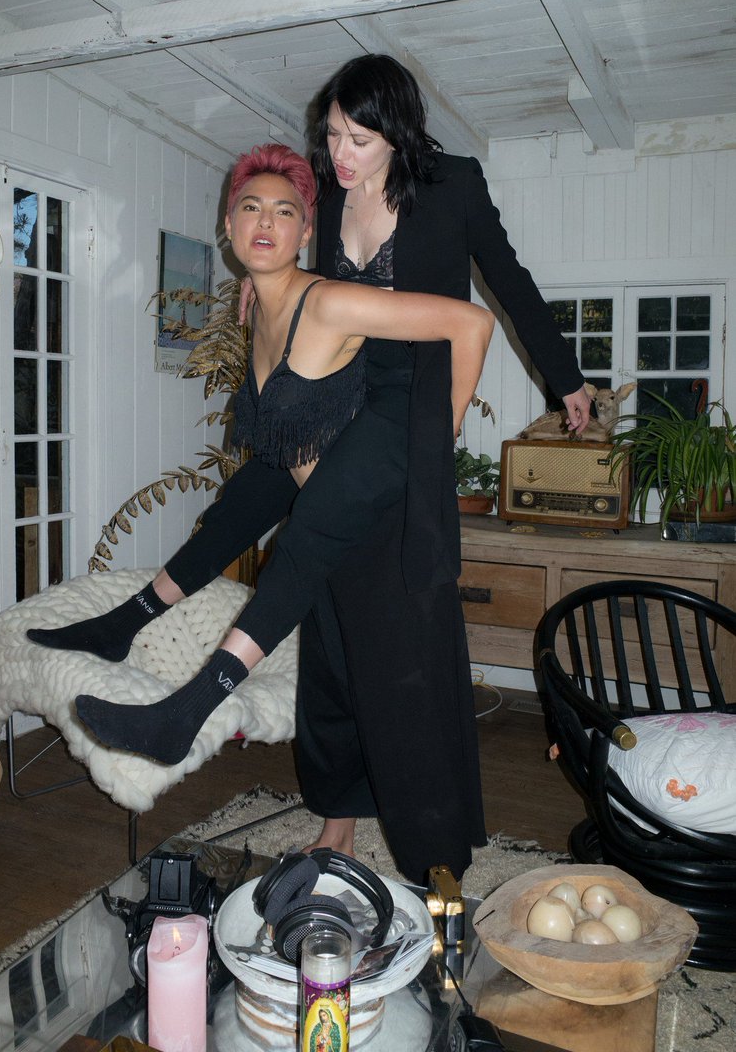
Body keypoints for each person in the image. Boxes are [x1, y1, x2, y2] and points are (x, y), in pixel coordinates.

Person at [31, 55, 587, 881]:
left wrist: (556, 380)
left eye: (359, 139)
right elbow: (294, 262)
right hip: (345, 393)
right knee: (260, 497)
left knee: (309, 532)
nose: (341, 154)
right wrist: (266, 289)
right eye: (331, 136)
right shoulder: (325, 194)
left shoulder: (451, 185)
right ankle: (133, 622)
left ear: (397, 132)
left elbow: (503, 284)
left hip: (411, 403)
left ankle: (191, 703)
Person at [68, 143, 494, 770]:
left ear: (307, 232)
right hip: (320, 502)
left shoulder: (329, 301)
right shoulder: (261, 309)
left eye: (285, 212)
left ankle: (184, 715)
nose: (266, 222)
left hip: (369, 528)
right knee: (243, 508)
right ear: (229, 224)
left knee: (311, 569)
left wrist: (439, 438)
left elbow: (473, 324)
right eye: (251, 208)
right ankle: (122, 624)